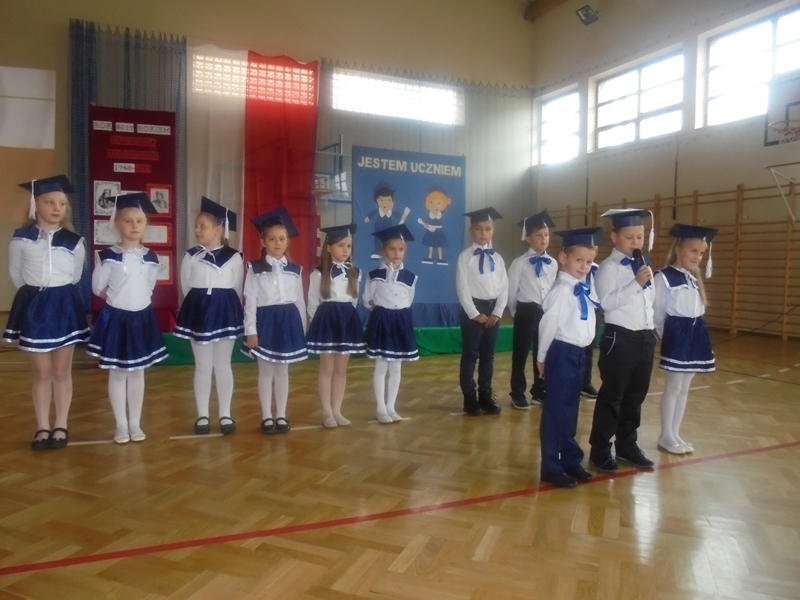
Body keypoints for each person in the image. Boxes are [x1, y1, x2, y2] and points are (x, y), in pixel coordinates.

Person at [4, 175, 89, 450]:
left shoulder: (74, 242)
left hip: (64, 306)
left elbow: (75, 276)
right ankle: (42, 426)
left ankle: (61, 424)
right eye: (49, 202)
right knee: (42, 372)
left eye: (61, 203)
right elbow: (17, 275)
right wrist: (38, 296)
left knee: (62, 371)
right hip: (35, 306)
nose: (56, 207)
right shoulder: (21, 239)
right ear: (35, 204)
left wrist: (56, 294)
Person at [87, 193, 168, 444]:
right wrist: (116, 299)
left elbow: (150, 285)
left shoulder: (151, 258)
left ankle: (135, 422)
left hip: (141, 319)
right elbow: (97, 286)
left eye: (139, 221)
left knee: (137, 373)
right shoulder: (107, 256)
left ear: (146, 225)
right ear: (117, 224)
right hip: (117, 319)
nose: (134, 226)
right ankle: (121, 424)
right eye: (128, 221)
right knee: (118, 373)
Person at [588, 208, 657, 472]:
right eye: (629, 237)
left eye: (640, 236)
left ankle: (627, 444)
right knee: (612, 396)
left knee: (635, 396)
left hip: (644, 338)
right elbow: (606, 303)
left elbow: (649, 302)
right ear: (615, 237)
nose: (635, 242)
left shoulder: (643, 266)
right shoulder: (609, 268)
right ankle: (600, 449)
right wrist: (635, 284)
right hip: (620, 338)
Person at [537, 227, 603, 488]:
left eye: (589, 261)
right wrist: (542, 358)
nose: (584, 267)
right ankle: (550, 466)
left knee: (570, 410)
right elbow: (548, 326)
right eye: (579, 260)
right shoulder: (561, 291)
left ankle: (570, 459)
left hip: (579, 354)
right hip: (561, 353)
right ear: (563, 258)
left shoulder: (583, 288)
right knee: (555, 412)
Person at [174, 197, 244, 435]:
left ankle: (225, 413)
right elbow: (186, 286)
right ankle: (202, 414)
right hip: (199, 312)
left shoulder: (234, 257)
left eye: (202, 226)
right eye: (196, 226)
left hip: (225, 312)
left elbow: (237, 287)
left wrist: (220, 302)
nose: (197, 230)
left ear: (218, 229)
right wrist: (202, 302)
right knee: (203, 366)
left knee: (223, 365)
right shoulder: (190, 256)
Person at [654, 224, 717, 454]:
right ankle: (665, 435)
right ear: (678, 249)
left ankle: (675, 432)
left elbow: (698, 308)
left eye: (701, 253)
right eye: (694, 251)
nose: (698, 257)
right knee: (673, 386)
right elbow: (657, 312)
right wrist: (668, 337)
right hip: (676, 334)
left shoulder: (693, 277)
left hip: (695, 332)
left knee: (684, 388)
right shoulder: (664, 277)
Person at [243, 207, 308, 435]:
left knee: (282, 371)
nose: (277, 243)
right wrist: (251, 330)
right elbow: (250, 300)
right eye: (272, 239)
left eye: (281, 238)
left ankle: (281, 414)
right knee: (265, 371)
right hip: (266, 323)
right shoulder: (254, 269)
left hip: (288, 323)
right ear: (263, 242)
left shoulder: (295, 270)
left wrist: (301, 328)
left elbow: (299, 300)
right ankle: (266, 416)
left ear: (288, 241)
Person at [307, 223, 365, 427]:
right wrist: (315, 322)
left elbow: (354, 300)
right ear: (329, 247)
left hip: (346, 319)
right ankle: (327, 412)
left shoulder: (355, 272)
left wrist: (347, 316)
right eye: (341, 245)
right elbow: (313, 301)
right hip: (327, 320)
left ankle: (337, 410)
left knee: (341, 369)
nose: (345, 250)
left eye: (348, 246)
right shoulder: (318, 273)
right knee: (327, 368)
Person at [363, 224, 419, 423]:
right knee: (381, 366)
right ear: (384, 250)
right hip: (382, 322)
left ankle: (391, 407)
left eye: (401, 249)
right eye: (392, 249)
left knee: (396, 368)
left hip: (400, 322)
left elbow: (408, 301)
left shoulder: (410, 277)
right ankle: (380, 408)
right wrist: (383, 311)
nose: (396, 253)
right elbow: (367, 300)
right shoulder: (374, 275)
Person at [456, 208, 508, 416]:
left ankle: (486, 394)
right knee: (471, 354)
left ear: (493, 231)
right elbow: (462, 288)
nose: (483, 233)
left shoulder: (498, 258)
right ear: (472, 231)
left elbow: (504, 287)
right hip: (473, 311)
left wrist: (497, 312)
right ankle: (469, 397)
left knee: (488, 355)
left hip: (493, 311)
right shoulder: (465, 257)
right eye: (478, 229)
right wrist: (474, 313)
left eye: (488, 229)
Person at [507, 210, 558, 410]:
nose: (544, 238)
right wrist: (515, 312)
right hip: (526, 311)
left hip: (545, 312)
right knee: (520, 354)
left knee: (542, 352)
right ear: (528, 238)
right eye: (539, 235)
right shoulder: (519, 263)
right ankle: (517, 392)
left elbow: (552, 289)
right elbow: (512, 290)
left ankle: (540, 390)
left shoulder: (553, 263)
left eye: (546, 235)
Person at [364, 184, 410, 259]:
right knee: (378, 240)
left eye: (389, 200)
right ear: (377, 201)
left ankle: (387, 253)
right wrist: (368, 217)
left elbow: (396, 215)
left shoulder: (391, 212)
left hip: (388, 228)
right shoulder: (378, 211)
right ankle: (377, 252)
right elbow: (373, 213)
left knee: (388, 241)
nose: (385, 203)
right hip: (378, 228)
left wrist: (402, 217)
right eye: (382, 200)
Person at [417, 187, 451, 265]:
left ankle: (440, 259)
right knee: (430, 245)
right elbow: (426, 223)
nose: (435, 205)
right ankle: (429, 257)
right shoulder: (429, 215)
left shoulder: (440, 214)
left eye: (438, 203)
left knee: (440, 246)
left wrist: (448, 204)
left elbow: (446, 209)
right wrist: (425, 225)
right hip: (430, 231)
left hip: (439, 231)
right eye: (432, 202)